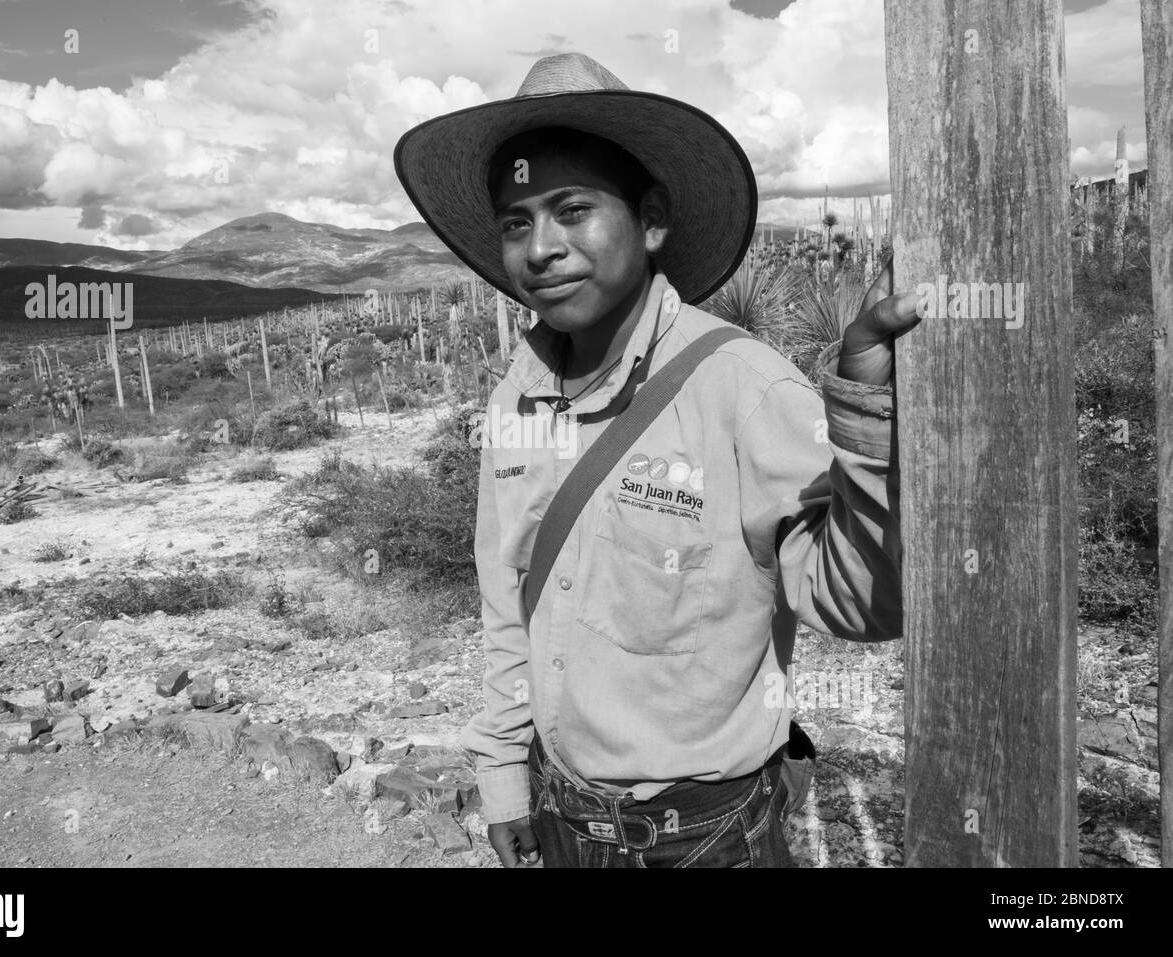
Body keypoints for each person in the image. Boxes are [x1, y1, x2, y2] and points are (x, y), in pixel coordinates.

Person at [394, 52, 920, 868]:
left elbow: (864, 606)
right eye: (516, 221)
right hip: (562, 813)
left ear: (650, 220)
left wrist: (861, 412)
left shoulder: (742, 389)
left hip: (708, 838)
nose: (542, 247)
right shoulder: (516, 400)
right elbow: (507, 600)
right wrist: (503, 773)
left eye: (572, 209)